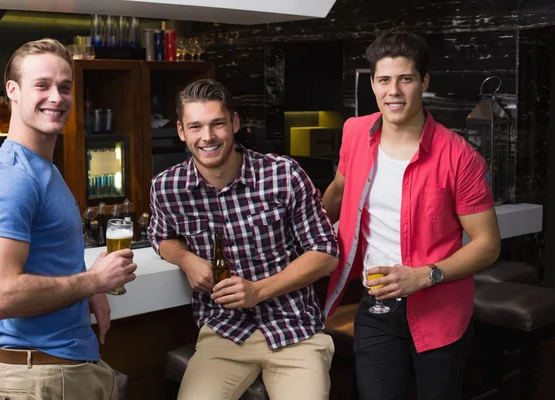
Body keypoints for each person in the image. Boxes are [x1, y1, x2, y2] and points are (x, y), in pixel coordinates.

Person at [322, 31, 501, 400]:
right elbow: (339, 192)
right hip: (376, 305)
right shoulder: (355, 132)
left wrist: (423, 276)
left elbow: (487, 245)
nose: (394, 92)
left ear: (424, 82)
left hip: (440, 311)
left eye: (406, 79)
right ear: (372, 84)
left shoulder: (460, 157)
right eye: (384, 80)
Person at [149, 78, 339, 400]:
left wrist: (257, 291)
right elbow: (161, 235)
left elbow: (325, 253)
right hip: (224, 333)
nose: (207, 137)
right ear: (181, 131)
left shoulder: (284, 175)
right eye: (195, 127)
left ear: (234, 123)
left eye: (217, 124)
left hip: (295, 330)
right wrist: (186, 259)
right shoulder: (168, 188)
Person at [0, 38, 137, 400]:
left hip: (61, 369)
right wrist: (92, 281)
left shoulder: (42, 168)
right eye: (42, 85)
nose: (56, 98)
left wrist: (88, 289)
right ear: (12, 91)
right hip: (43, 376)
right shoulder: (13, 177)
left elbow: (46, 259)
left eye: (65, 87)